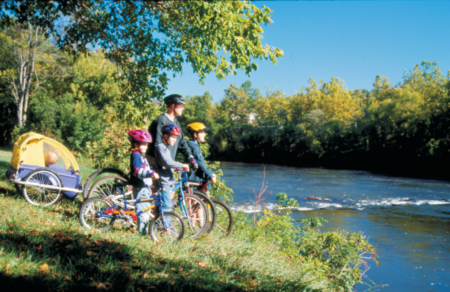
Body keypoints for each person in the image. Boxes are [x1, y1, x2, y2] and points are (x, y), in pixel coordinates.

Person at [146, 94, 197, 168]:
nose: (182, 108)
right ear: (173, 106)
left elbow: (182, 142)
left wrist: (190, 156)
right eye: (180, 106)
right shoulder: (161, 120)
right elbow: (157, 145)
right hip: (156, 162)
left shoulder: (175, 122)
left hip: (167, 162)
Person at [128, 129, 160, 235]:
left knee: (145, 210)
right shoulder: (136, 156)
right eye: (144, 144)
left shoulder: (140, 156)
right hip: (141, 188)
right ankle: (142, 233)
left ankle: (143, 230)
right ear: (136, 144)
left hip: (145, 187)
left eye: (147, 145)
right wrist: (151, 173)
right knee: (143, 211)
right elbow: (137, 171)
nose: (146, 147)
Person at [154, 124, 190, 215]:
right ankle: (166, 228)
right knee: (167, 207)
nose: (175, 140)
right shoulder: (161, 147)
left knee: (166, 205)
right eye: (173, 137)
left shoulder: (166, 148)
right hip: (163, 181)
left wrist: (175, 168)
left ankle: (162, 225)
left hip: (167, 180)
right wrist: (182, 165)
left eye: (176, 138)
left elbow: (165, 165)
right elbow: (167, 162)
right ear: (165, 136)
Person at [186, 122, 216, 189]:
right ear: (195, 134)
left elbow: (202, 164)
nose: (204, 135)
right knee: (195, 198)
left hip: (194, 176)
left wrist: (210, 173)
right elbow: (200, 163)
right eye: (202, 132)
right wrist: (210, 175)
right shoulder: (193, 146)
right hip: (192, 177)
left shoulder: (195, 144)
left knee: (199, 198)